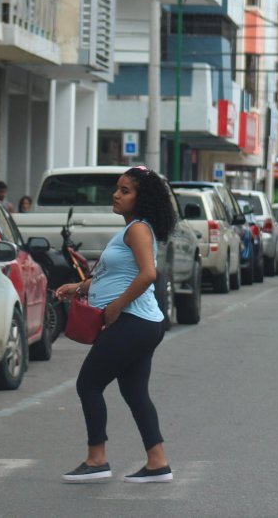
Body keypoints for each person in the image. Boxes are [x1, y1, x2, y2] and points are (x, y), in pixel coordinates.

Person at [55, 166, 174, 484]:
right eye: (117, 189)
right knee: (134, 391)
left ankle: (97, 459)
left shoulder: (137, 230)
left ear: (141, 198)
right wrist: (78, 287)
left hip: (133, 322)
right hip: (144, 323)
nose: (116, 195)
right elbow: (115, 274)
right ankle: (157, 462)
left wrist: (116, 308)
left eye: (125, 191)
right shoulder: (134, 229)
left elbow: (148, 273)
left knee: (88, 385)